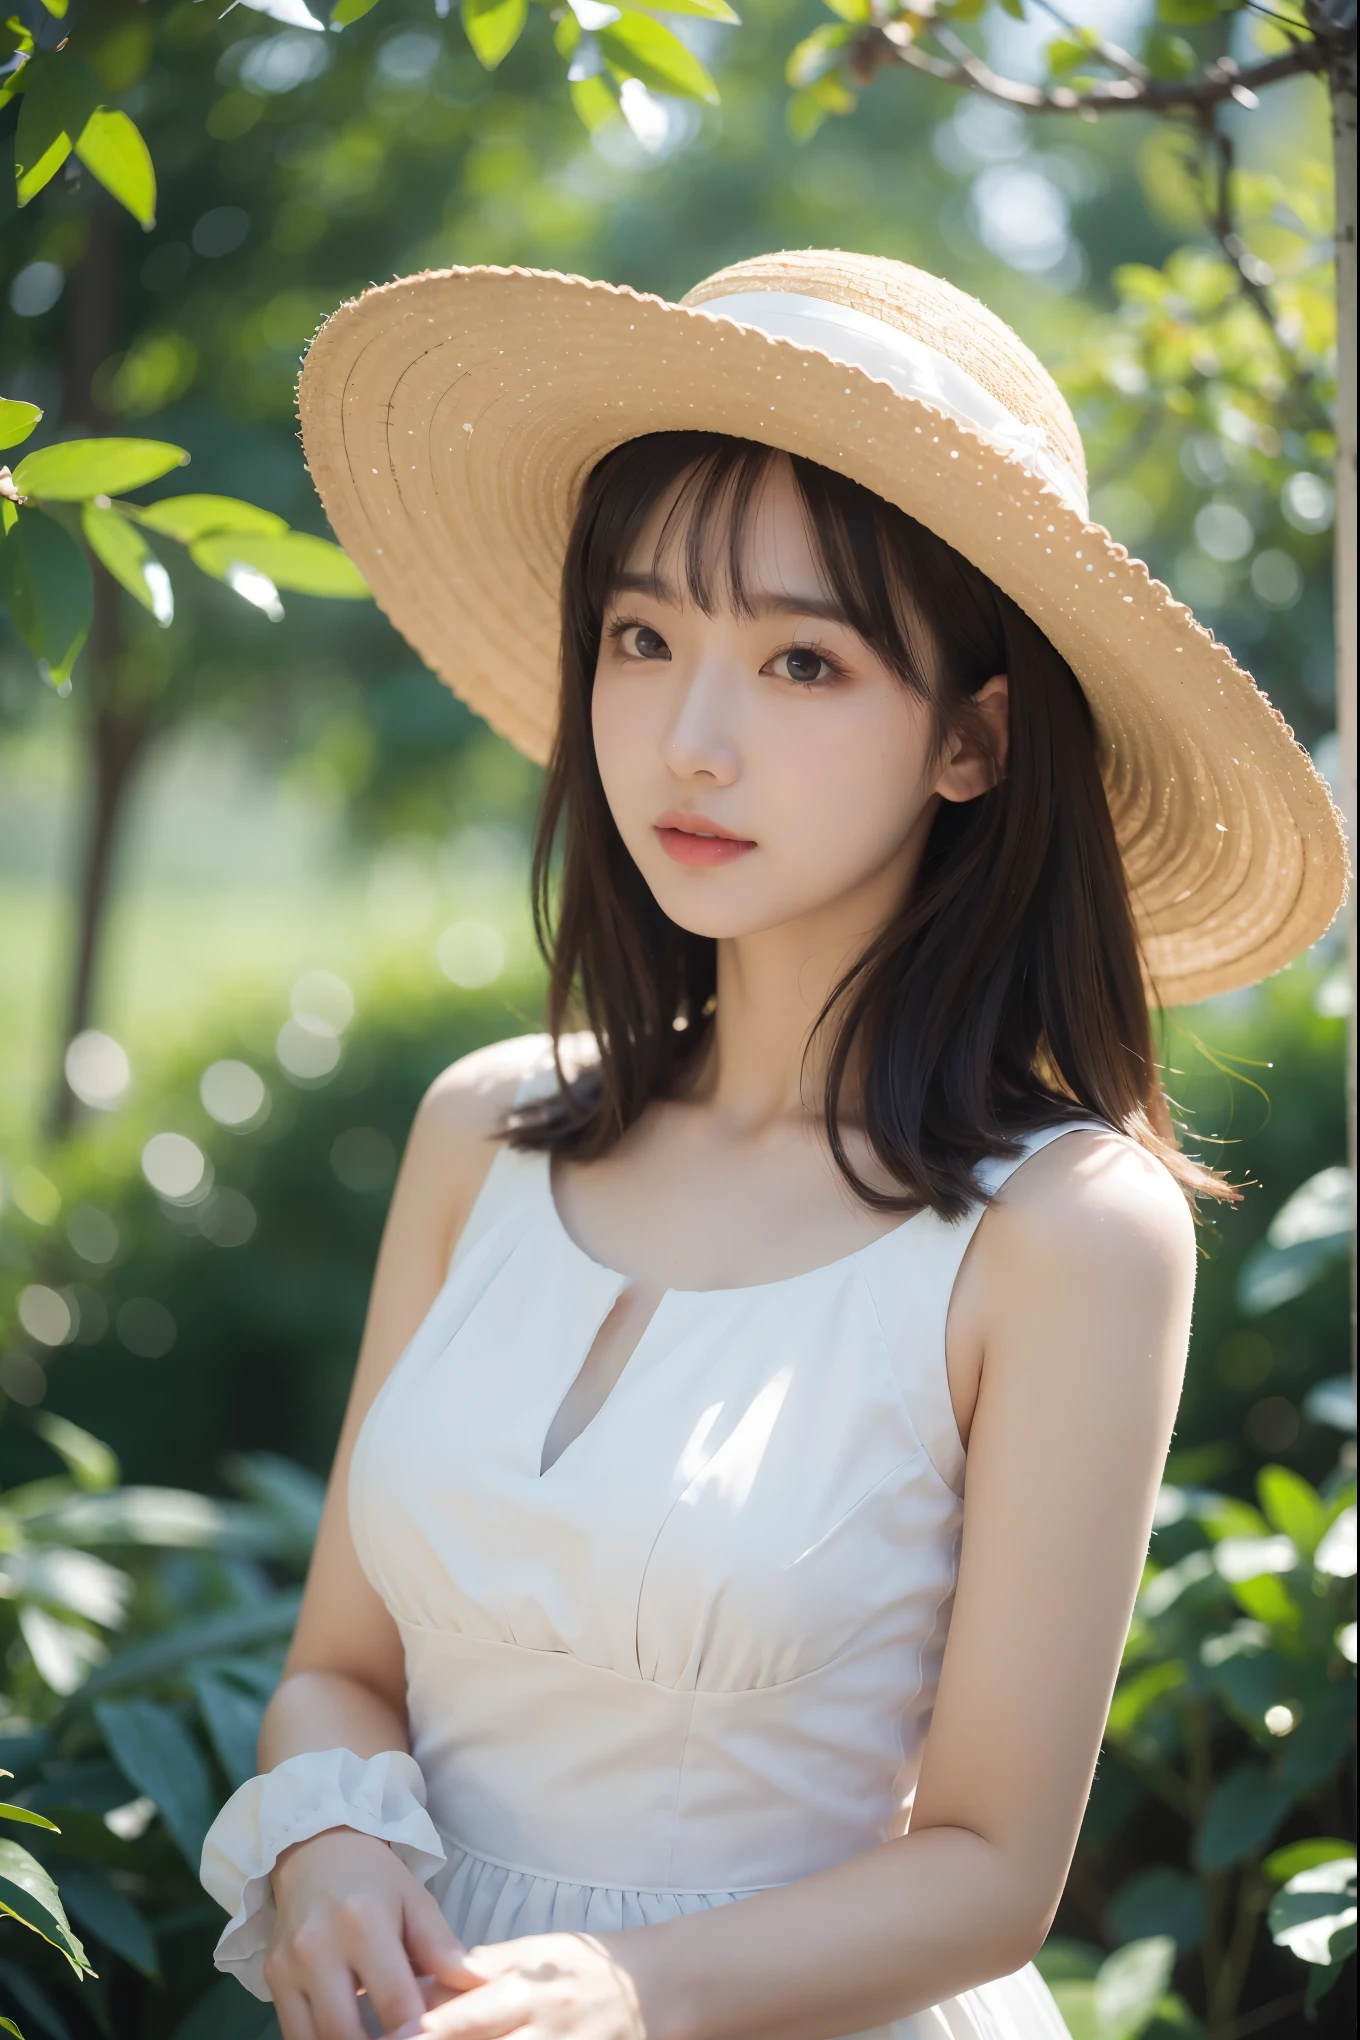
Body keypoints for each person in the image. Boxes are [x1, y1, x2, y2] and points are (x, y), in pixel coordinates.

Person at [198, 251, 1347, 2040]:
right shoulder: (483, 1132)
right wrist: (333, 1845)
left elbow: (991, 1864)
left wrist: (627, 1992)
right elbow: (343, 1669)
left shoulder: (1064, 1232)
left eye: (804, 659)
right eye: (645, 638)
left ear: (972, 738)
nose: (691, 738)